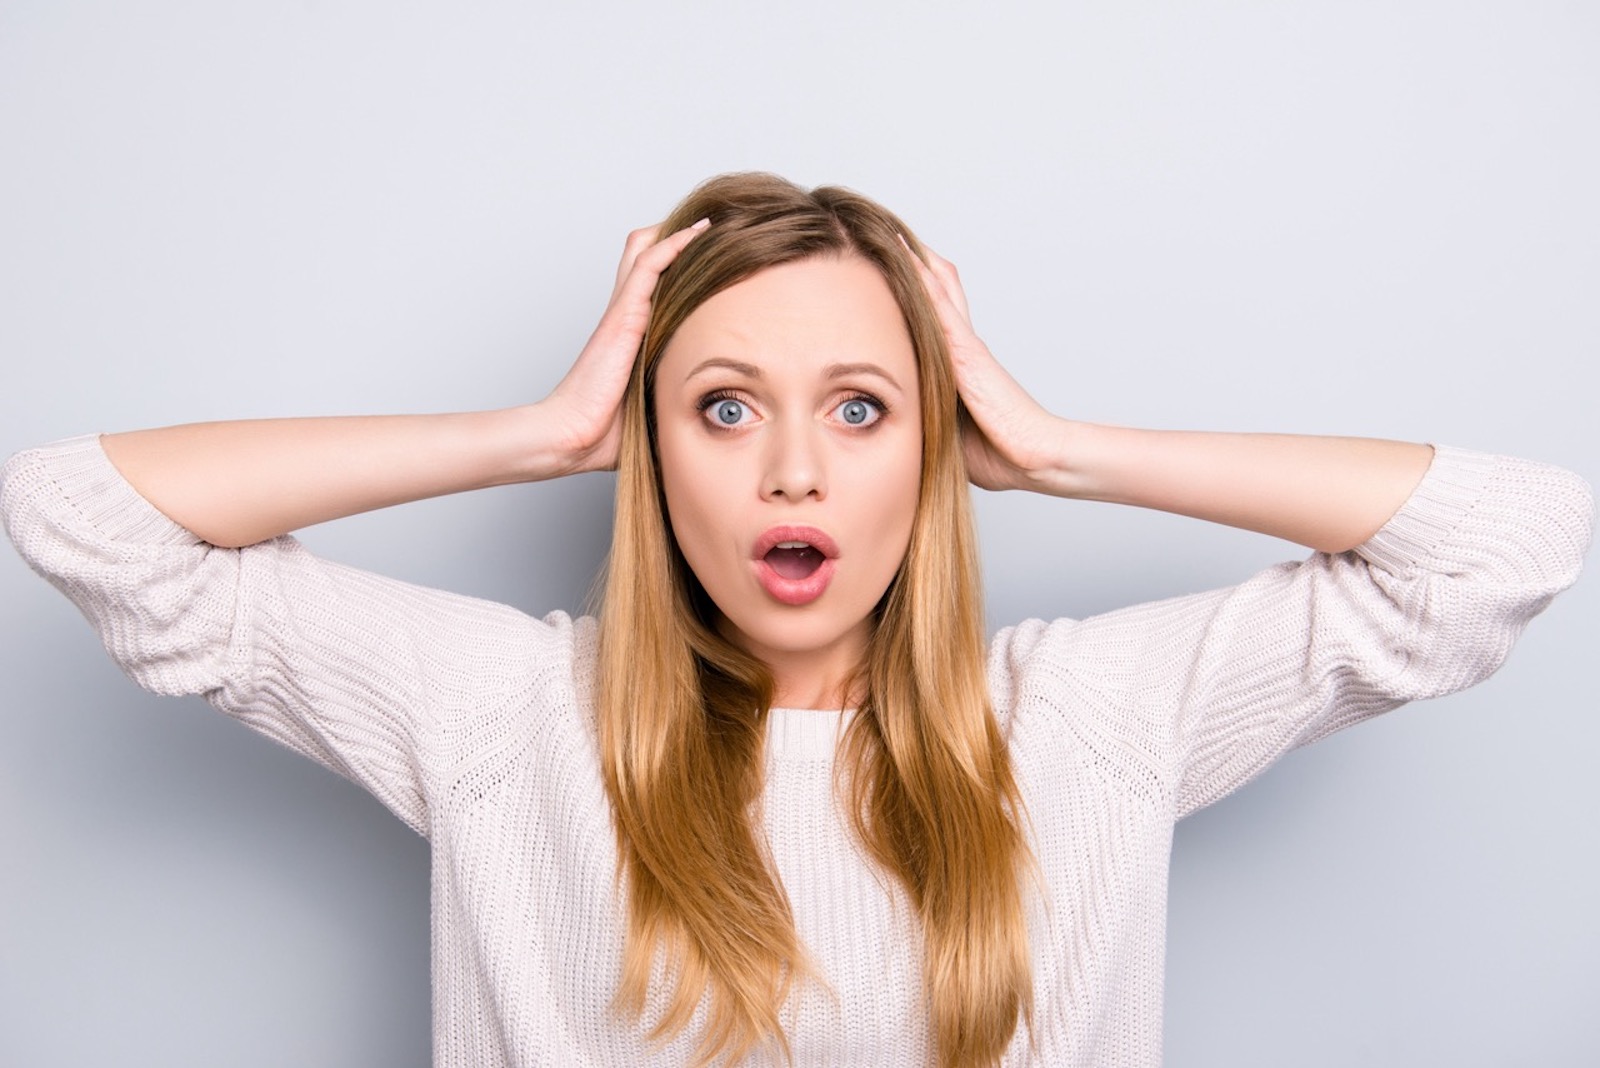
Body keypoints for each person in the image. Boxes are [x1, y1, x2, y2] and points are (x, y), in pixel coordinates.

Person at [1, 172, 1591, 1068]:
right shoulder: (508, 718)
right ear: (649, 451)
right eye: (719, 406)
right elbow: (81, 514)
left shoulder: (1086, 726)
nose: (790, 473)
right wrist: (538, 432)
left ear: (934, 441)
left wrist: (1057, 450)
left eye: (857, 407)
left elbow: (1515, 541)